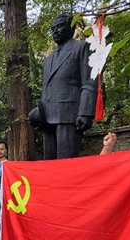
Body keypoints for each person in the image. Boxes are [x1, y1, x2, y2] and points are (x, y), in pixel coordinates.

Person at [30, 13, 97, 159]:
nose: (55, 31)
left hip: (69, 115)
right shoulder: (48, 60)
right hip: (48, 119)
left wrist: (85, 113)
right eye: (53, 28)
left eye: (60, 26)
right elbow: (48, 90)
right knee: (49, 165)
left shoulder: (81, 48)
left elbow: (89, 83)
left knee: (66, 164)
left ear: (71, 28)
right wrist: (39, 111)